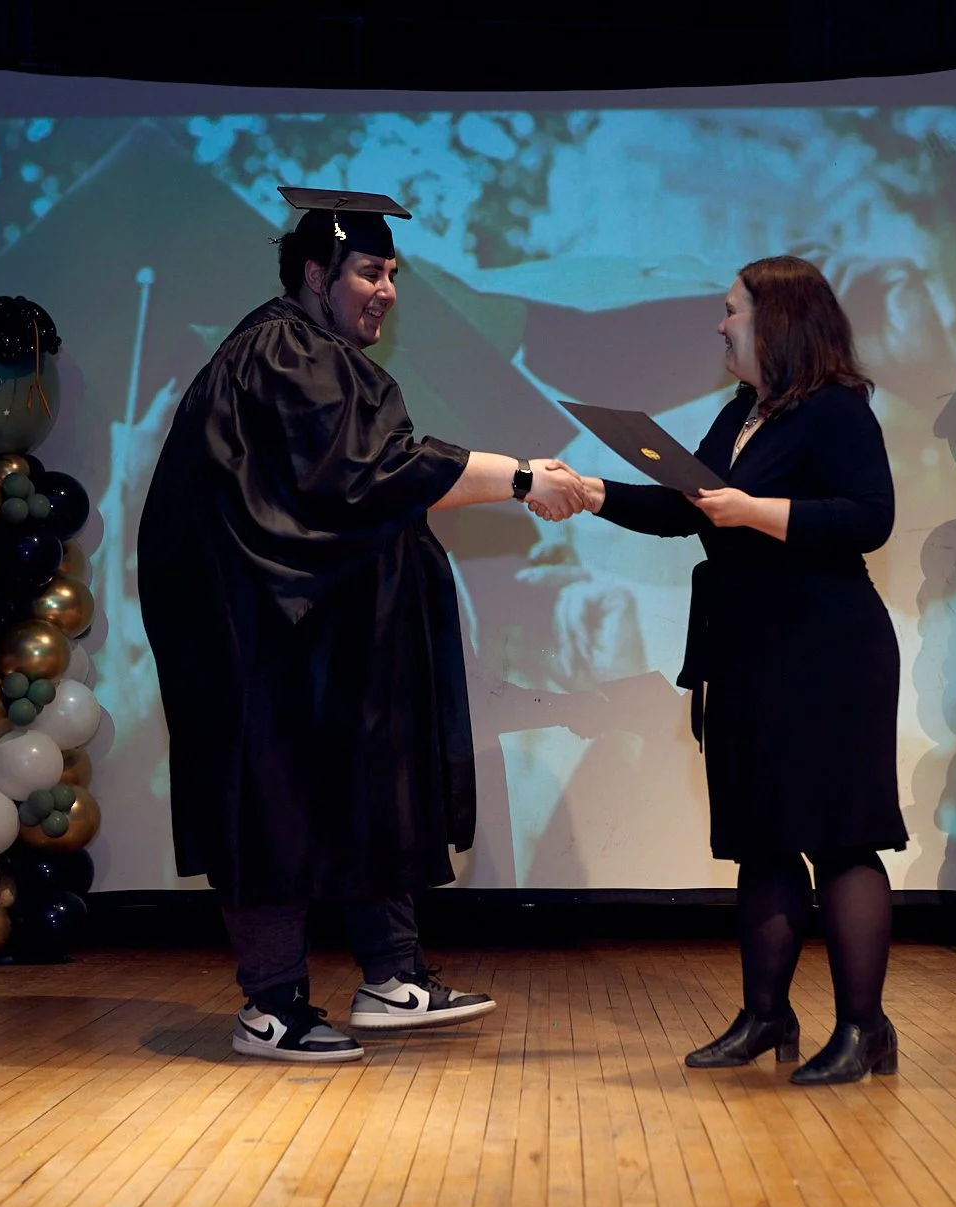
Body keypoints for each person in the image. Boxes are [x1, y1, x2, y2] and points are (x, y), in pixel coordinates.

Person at [137, 187, 586, 1063]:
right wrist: (522, 478)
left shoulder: (314, 352)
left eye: (392, 275)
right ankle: (270, 1007)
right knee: (271, 809)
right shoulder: (282, 352)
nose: (387, 291)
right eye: (370, 272)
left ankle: (393, 975)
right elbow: (368, 472)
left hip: (320, 638)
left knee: (369, 787)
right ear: (316, 273)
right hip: (263, 643)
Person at [576, 255, 909, 1085]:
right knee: (761, 841)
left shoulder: (836, 409)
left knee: (840, 839)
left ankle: (865, 1030)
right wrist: (587, 490)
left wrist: (755, 511)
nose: (720, 325)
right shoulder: (741, 415)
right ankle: (767, 1016)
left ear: (779, 321)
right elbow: (680, 506)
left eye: (732, 312)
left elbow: (872, 518)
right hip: (749, 650)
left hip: (828, 652)